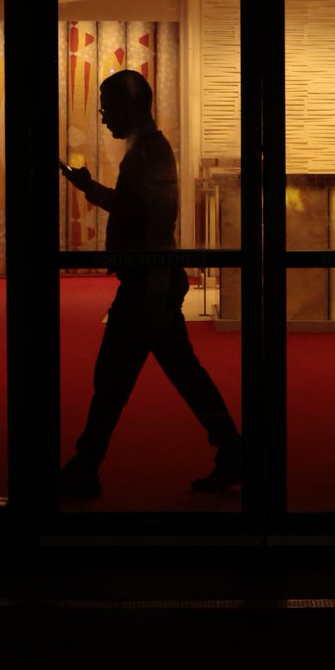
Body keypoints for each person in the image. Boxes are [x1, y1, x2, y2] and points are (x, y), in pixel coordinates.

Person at [59, 69, 242, 499]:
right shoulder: (147, 151)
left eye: (107, 106)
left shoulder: (149, 154)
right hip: (152, 284)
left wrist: (153, 290)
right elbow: (134, 209)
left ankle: (86, 465)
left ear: (131, 106)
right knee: (174, 375)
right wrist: (90, 187)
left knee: (115, 380)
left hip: (148, 286)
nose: (103, 117)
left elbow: (156, 225)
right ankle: (232, 451)